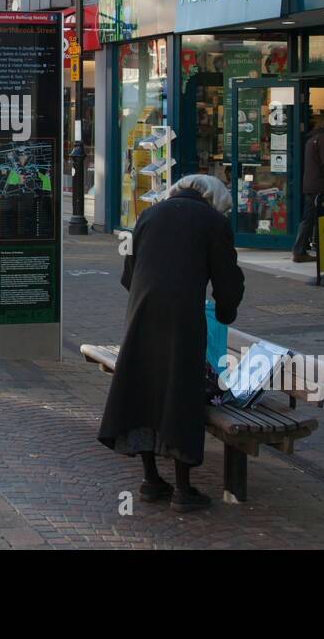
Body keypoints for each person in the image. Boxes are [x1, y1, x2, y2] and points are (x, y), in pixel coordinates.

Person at [97, 173, 245, 512]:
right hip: (183, 320)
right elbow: (227, 278)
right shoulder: (212, 222)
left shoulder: (149, 215)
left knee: (145, 388)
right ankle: (183, 488)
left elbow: (128, 274)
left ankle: (151, 480)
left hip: (142, 314)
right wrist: (226, 311)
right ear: (214, 200)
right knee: (180, 392)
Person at [293, 111, 324, 263]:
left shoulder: (313, 137)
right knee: (318, 219)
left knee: (309, 218)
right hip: (321, 186)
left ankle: (300, 250)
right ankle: (309, 251)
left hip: (311, 185)